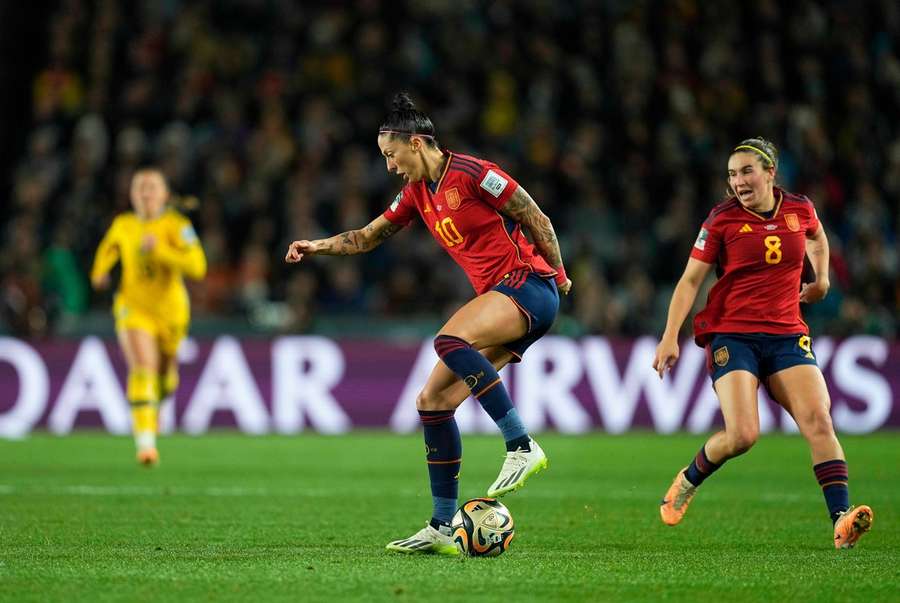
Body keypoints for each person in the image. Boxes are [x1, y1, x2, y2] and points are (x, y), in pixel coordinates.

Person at [285, 93, 571, 555]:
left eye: (392, 156)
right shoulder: (417, 194)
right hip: (503, 299)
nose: (390, 167)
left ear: (416, 144)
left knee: (450, 339)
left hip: (528, 285)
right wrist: (316, 246)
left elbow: (534, 216)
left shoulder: (475, 173)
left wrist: (558, 273)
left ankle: (520, 444)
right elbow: (366, 237)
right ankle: (442, 525)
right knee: (432, 401)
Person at [652, 138, 873, 549]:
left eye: (747, 171)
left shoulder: (799, 208)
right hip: (732, 334)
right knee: (742, 436)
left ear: (771, 172)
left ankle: (841, 520)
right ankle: (688, 479)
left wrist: (822, 278)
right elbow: (690, 281)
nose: (738, 181)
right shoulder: (722, 219)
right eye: (732, 174)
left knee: (819, 419)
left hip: (787, 333)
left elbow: (818, 237)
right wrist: (670, 336)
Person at [91, 167, 207, 466]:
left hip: (171, 312)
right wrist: (100, 272)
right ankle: (146, 444)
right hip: (133, 307)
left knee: (164, 377)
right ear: (131, 194)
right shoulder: (123, 224)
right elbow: (108, 249)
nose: (145, 193)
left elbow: (198, 267)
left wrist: (162, 252)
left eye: (151, 187)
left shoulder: (176, 225)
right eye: (139, 187)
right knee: (143, 368)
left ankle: (161, 394)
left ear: (165, 194)